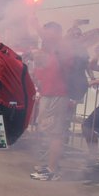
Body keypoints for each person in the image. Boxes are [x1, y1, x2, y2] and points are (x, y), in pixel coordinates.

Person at [29, 22, 72, 181]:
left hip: (57, 95)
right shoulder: (49, 51)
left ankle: (53, 170)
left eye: (48, 33)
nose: (45, 36)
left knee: (55, 133)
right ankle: (48, 164)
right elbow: (41, 73)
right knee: (46, 130)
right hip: (48, 94)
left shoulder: (63, 49)